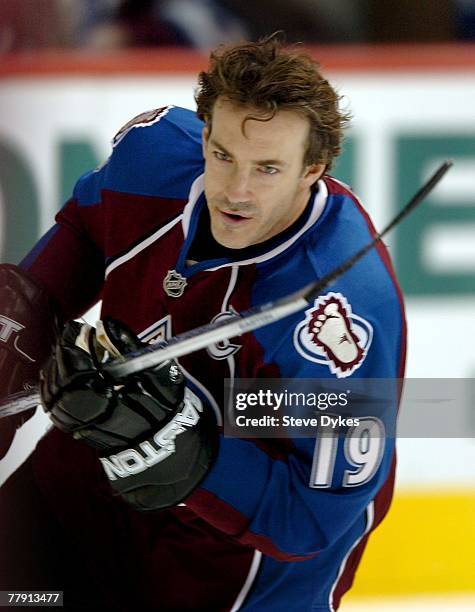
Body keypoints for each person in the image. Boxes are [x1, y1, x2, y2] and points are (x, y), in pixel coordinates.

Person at [0, 33, 406, 611]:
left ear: (312, 168)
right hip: (90, 488)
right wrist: (19, 331)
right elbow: (85, 233)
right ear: (205, 135)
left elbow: (310, 519)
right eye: (223, 156)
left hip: (239, 565)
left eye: (268, 168)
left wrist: (172, 446)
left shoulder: (332, 320)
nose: (236, 191)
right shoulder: (153, 160)